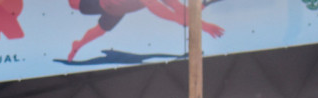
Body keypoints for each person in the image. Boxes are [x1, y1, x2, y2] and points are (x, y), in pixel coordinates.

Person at [65, 0, 223, 62]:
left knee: (100, 30)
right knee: (74, 4)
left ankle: (78, 45)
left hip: (117, 10)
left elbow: (176, 11)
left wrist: (201, 22)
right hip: (102, 4)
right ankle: (78, 45)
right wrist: (202, 24)